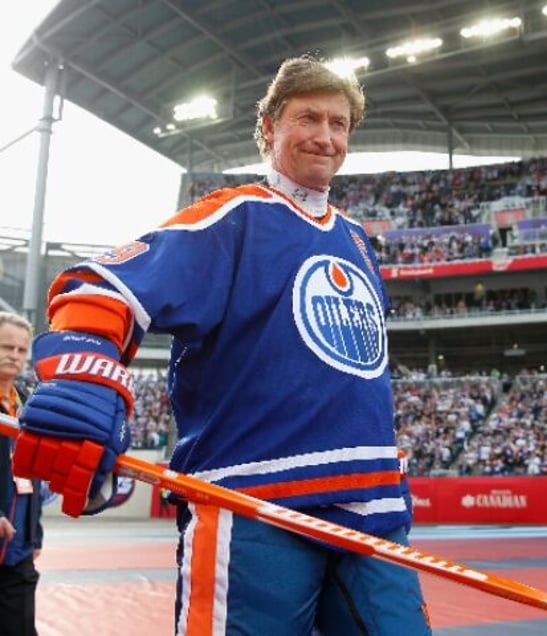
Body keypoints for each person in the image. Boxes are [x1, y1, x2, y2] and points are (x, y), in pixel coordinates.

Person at [12, 55, 432, 635]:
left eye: (339, 124)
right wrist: (84, 372)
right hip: (256, 504)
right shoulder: (234, 216)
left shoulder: (358, 238)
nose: (326, 136)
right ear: (269, 128)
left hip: (375, 508)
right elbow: (100, 286)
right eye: (308, 118)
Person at [0, 312, 43, 636]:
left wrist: (35, 532)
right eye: (6, 347)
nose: (14, 355)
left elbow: (36, 476)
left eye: (20, 349)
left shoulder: (29, 406)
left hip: (18, 546)